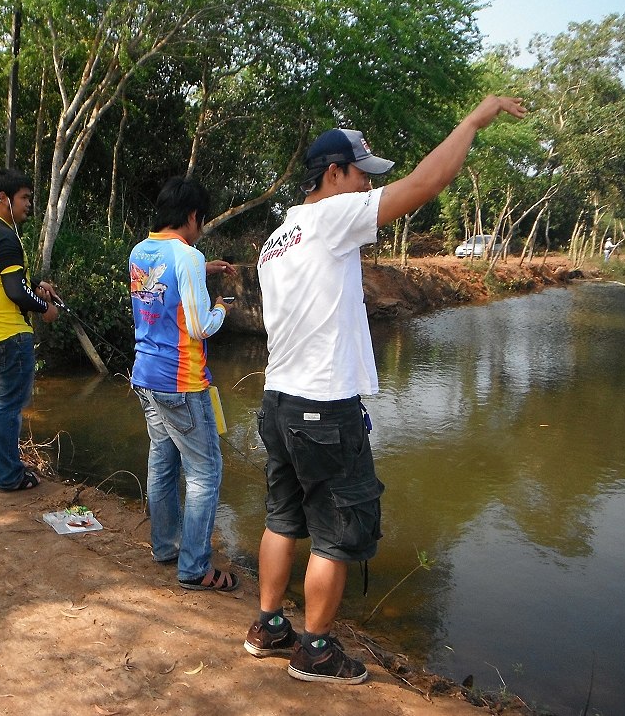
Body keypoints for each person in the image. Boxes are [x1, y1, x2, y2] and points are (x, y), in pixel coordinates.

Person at [245, 95, 527, 684]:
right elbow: (429, 181)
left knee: (281, 516)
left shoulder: (278, 240)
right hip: (323, 406)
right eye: (360, 176)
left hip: (279, 402)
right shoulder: (331, 217)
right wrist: (473, 118)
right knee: (336, 531)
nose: (365, 189)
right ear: (332, 175)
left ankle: (268, 626)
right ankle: (316, 651)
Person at [129, 176, 239, 592]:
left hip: (145, 376)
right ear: (193, 216)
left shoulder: (140, 251)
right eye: (202, 220)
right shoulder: (188, 257)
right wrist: (222, 307)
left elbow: (160, 285)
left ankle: (165, 547)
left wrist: (202, 269)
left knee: (162, 463)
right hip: (183, 382)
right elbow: (199, 326)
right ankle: (195, 568)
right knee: (206, 472)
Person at [0, 168, 60, 491]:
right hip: (8, 333)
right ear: (3, 198)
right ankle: (9, 476)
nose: (28, 204)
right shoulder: (6, 236)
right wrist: (45, 307)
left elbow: (9, 278)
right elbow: (16, 293)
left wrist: (37, 283)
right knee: (8, 406)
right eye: (24, 198)